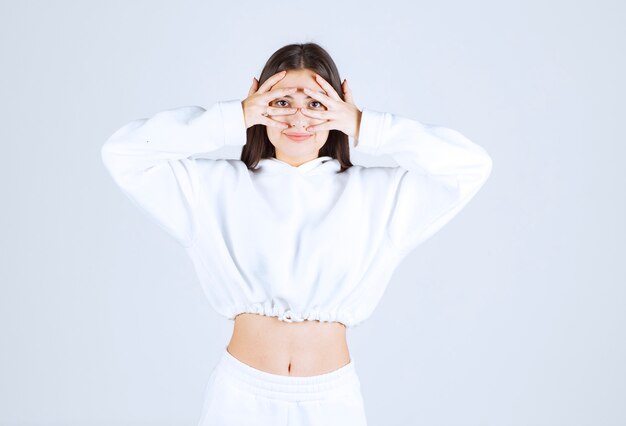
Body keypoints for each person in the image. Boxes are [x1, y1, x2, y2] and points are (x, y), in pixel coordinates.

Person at [100, 42, 493, 426]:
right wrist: (232, 117)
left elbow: (470, 166)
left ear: (339, 110)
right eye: (282, 103)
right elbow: (124, 153)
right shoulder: (211, 187)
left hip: (331, 402)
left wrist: (363, 124)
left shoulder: (380, 195)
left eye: (317, 105)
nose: (298, 120)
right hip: (239, 399)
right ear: (259, 105)